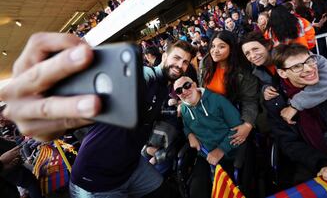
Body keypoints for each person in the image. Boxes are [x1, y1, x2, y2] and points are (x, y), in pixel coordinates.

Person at [0, 33, 196, 198]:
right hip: (95, 181)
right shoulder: (144, 75)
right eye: (176, 58)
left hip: (131, 166)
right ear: (164, 56)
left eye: (185, 62)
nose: (180, 65)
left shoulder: (163, 86)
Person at [265, 43, 327, 184]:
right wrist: (320, 163)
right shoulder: (277, 102)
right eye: (297, 66)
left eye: (310, 61)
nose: (310, 69)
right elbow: (289, 142)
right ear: (282, 73)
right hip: (313, 162)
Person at [241, 31, 327, 124]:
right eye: (247, 53)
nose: (252, 55)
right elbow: (262, 84)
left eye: (255, 49)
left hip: (323, 110)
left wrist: (296, 105)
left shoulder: (290, 54)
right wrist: (265, 88)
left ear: (267, 46)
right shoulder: (256, 69)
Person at [174, 76, 242, 198]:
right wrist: (189, 134)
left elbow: (238, 128)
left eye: (187, 86)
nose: (184, 91)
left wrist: (220, 150)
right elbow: (186, 126)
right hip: (205, 155)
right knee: (196, 191)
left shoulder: (217, 100)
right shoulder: (184, 109)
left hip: (230, 153)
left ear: (194, 84)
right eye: (179, 91)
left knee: (226, 192)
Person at [200, 30, 259, 145]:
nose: (215, 51)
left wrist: (247, 124)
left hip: (232, 119)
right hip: (210, 118)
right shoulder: (205, 63)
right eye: (213, 46)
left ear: (231, 49)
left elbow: (250, 100)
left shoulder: (242, 71)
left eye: (222, 47)